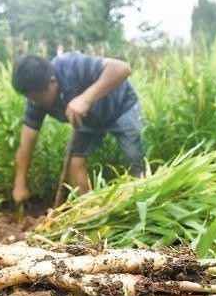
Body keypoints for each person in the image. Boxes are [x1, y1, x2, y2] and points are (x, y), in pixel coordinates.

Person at [10, 52, 146, 203]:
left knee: (134, 157)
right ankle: (88, 211)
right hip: (87, 121)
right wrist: (19, 184)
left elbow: (123, 68)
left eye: (38, 98)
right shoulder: (36, 99)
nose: (35, 103)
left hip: (121, 106)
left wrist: (85, 99)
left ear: (52, 82)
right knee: (74, 162)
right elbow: (27, 143)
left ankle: (142, 200)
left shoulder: (73, 65)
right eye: (31, 99)